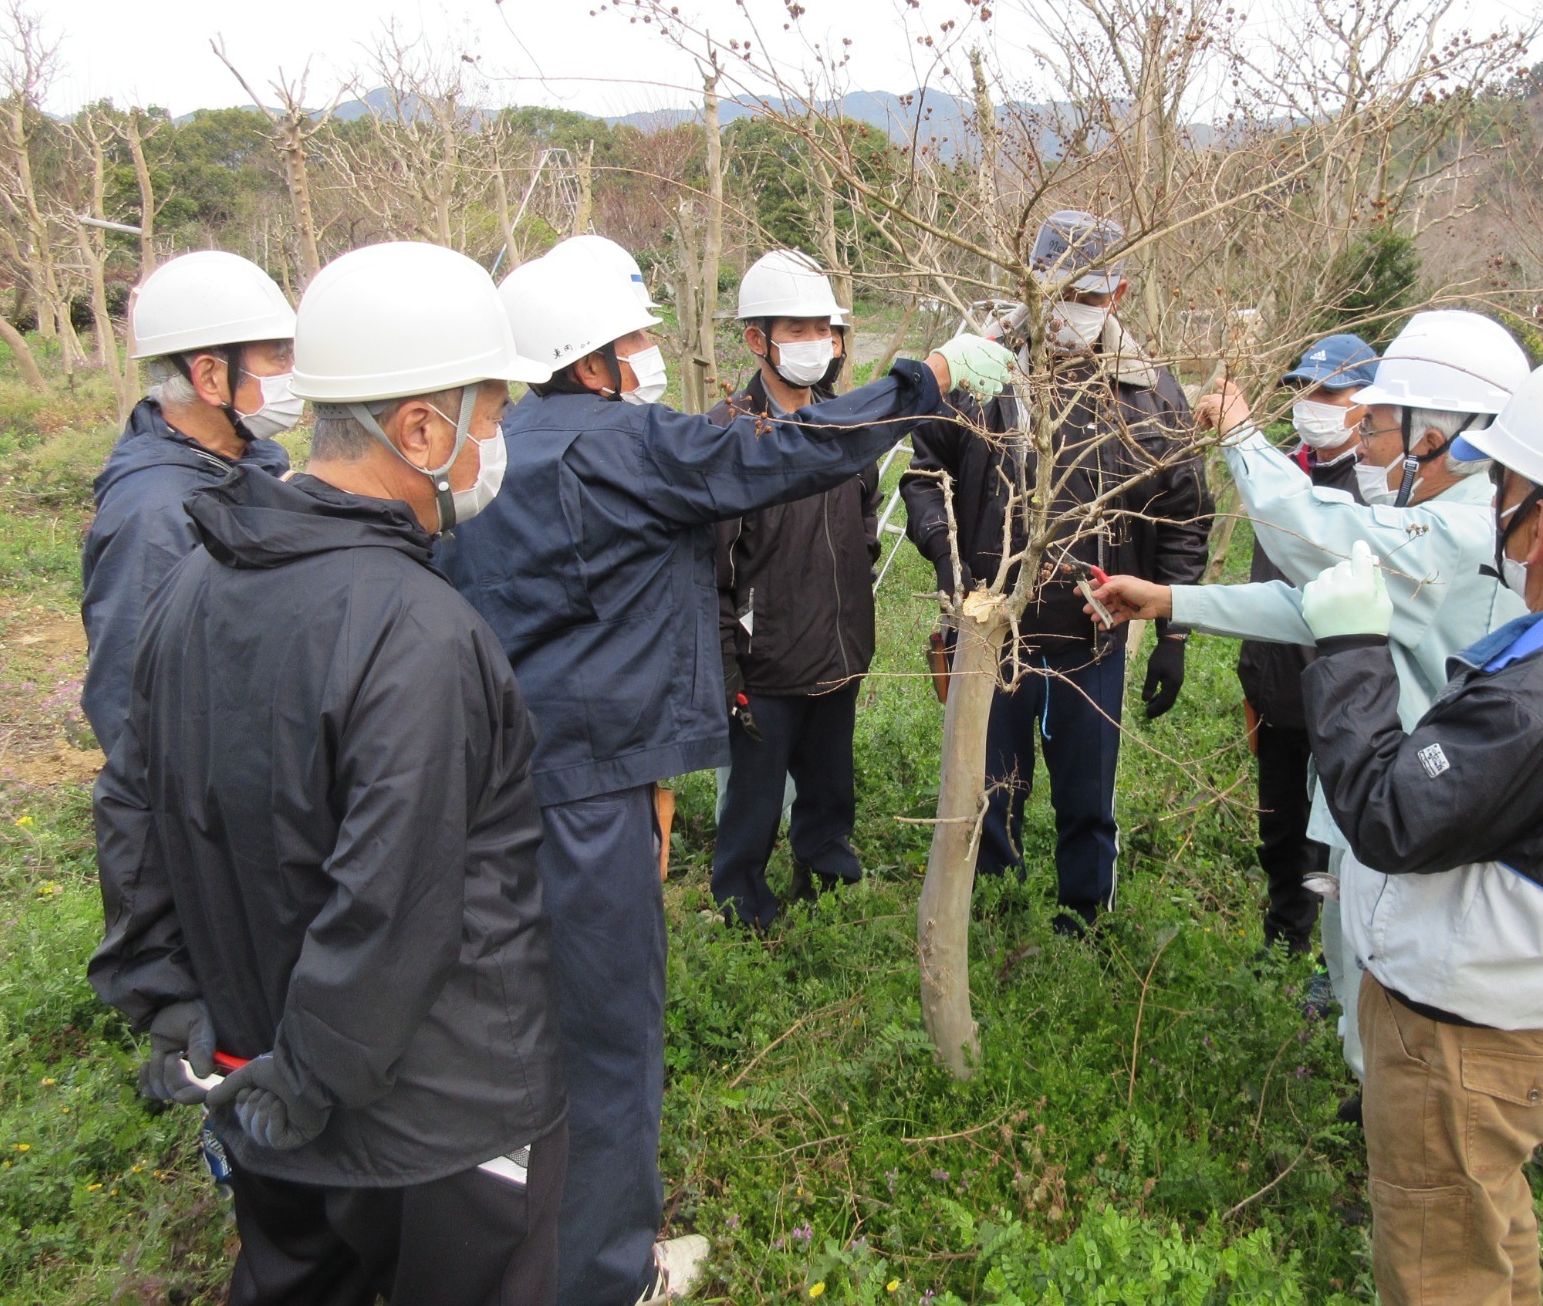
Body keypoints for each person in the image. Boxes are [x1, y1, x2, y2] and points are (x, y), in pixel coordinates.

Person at [437, 236, 1013, 1306]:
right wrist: (920, 382)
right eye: (637, 338)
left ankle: (513, 1244)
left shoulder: (490, 452)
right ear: (591, 356)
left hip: (493, 784)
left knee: (518, 1032)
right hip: (586, 799)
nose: (652, 355)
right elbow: (782, 455)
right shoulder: (624, 447)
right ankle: (609, 1272)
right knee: (610, 1043)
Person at [88, 241, 566, 1305]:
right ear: (421, 430)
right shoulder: (418, 631)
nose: (497, 443)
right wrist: (313, 1079)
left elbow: (132, 807)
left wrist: (172, 1003)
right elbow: (394, 897)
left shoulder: (196, 585)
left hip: (262, 1087)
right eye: (488, 416)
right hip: (439, 1121)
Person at [1291, 348, 1543, 1306]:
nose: (1488, 503)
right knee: (1487, 1214)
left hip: (1464, 1038)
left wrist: (1351, 648)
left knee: (1437, 1257)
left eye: (1501, 484)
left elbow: (1388, 817)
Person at [1090, 309, 1530, 1093]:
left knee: (1391, 980)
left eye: (1386, 422)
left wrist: (1242, 439)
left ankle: (1391, 1127)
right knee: (1356, 955)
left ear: (1445, 429)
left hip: (1422, 800)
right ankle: (1373, 1101)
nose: (1370, 438)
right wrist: (1169, 601)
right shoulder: (1439, 519)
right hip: (1385, 789)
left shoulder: (1463, 535)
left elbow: (1326, 545)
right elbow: (1320, 605)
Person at [901, 210, 1212, 933]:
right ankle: (997, 914)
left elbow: (1184, 514)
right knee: (988, 791)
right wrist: (953, 569)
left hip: (1095, 636)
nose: (1071, 314)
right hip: (993, 634)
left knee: (1087, 796)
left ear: (1120, 294)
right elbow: (925, 476)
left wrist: (1175, 632)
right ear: (1029, 284)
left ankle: (1083, 922)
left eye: (1090, 297)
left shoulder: (1149, 393)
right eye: (1058, 293)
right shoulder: (979, 374)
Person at [708, 250, 878, 930]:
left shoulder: (846, 426)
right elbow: (710, 565)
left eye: (825, 330)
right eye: (799, 329)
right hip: (765, 666)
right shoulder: (727, 435)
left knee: (831, 792)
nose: (818, 344)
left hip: (839, 652)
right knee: (751, 803)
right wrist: (727, 663)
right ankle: (743, 909)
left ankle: (829, 881)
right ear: (757, 339)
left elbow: (865, 518)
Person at [80, 251, 298, 756]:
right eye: (279, 357)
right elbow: (133, 698)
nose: (293, 373)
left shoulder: (250, 458)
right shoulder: (156, 514)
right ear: (210, 377)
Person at [1237, 333, 1374, 956]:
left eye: (1329, 392)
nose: (1311, 404)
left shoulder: (1374, 494)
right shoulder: (1286, 476)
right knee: (1281, 828)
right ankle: (1285, 942)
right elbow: (1263, 580)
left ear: (1366, 404)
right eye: (1304, 390)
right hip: (1279, 689)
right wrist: (1253, 684)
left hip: (1342, 696)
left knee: (1339, 833)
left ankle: (1335, 955)